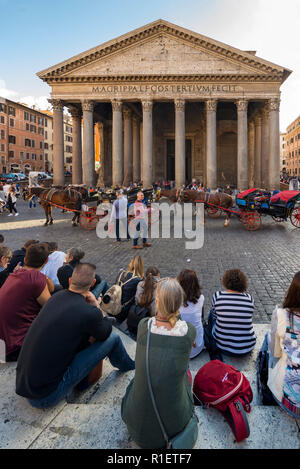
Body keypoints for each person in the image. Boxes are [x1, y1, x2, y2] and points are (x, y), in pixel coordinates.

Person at [16, 263, 135, 409]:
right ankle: (132, 369)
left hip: (26, 385)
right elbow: (105, 333)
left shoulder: (55, 297)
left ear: (70, 280)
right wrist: (96, 307)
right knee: (114, 338)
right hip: (45, 395)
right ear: (92, 284)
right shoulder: (88, 312)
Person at [121, 278, 196, 449]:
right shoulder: (188, 332)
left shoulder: (143, 325)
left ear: (156, 302)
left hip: (134, 419)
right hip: (173, 426)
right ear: (180, 304)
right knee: (185, 374)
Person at [0, 243, 54, 361]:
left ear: (25, 259)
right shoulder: (36, 279)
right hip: (13, 349)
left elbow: (51, 288)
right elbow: (52, 308)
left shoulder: (14, 274)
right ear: (46, 261)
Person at [261, 272, 300, 418]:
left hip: (290, 403)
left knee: (268, 338)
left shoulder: (282, 315)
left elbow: (276, 353)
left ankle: (264, 381)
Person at [207, 269, 256, 359]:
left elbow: (215, 316)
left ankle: (210, 335)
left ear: (226, 281)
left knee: (211, 313)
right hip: (247, 347)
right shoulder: (249, 298)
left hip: (223, 347)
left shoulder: (217, 296)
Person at [178, 269, 205, 359]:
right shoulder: (201, 298)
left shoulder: (175, 300)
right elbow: (202, 317)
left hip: (180, 349)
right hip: (198, 345)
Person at [114, 256, 144, 323]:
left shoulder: (121, 272)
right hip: (123, 311)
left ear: (130, 264)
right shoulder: (139, 280)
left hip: (112, 304)